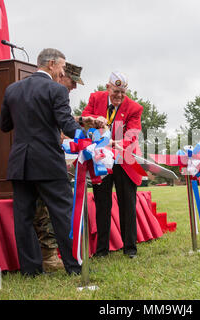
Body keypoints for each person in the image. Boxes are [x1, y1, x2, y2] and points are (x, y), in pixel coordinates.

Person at [0, 48, 94, 276]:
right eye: (62, 67)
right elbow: (67, 125)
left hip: (20, 163)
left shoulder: (12, 89)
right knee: (63, 214)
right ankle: (74, 266)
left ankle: (31, 270)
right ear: (51, 64)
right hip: (48, 163)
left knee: (23, 218)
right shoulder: (56, 90)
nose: (63, 72)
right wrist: (88, 138)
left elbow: (4, 126)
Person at [81, 71, 143, 259]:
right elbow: (84, 118)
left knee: (128, 203)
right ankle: (101, 250)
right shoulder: (95, 98)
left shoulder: (134, 107)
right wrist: (93, 123)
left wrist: (119, 143)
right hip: (101, 159)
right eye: (116, 92)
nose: (119, 96)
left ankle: (130, 248)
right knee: (102, 203)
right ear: (108, 87)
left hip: (124, 159)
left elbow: (133, 132)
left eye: (123, 93)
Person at [33, 61, 85, 272]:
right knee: (48, 210)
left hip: (49, 158)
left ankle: (57, 256)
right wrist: (83, 135)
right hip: (43, 159)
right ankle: (51, 256)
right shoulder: (52, 91)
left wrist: (82, 120)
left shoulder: (53, 92)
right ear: (61, 75)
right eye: (72, 82)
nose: (73, 87)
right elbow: (57, 123)